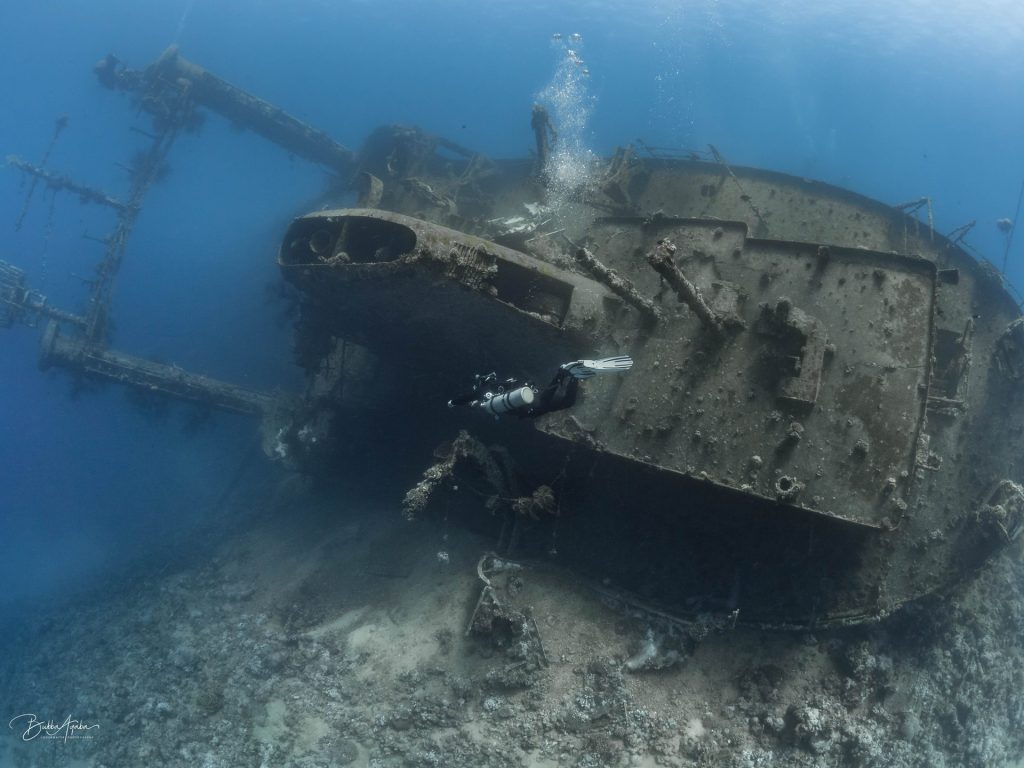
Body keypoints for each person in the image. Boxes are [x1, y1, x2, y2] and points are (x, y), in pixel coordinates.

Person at [449, 356, 632, 418]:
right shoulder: (493, 386)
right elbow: (515, 383)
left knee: (557, 402)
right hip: (529, 397)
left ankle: (565, 372)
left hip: (530, 407)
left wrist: (453, 403)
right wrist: (453, 402)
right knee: (558, 400)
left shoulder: (483, 395)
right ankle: (568, 375)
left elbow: (467, 397)